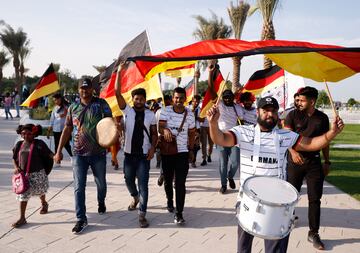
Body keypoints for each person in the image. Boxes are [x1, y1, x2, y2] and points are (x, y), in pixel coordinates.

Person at [207, 96, 344, 253]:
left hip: (277, 205)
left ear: (278, 114)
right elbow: (221, 139)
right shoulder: (243, 132)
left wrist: (332, 132)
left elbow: (312, 144)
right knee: (243, 248)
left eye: (273, 111)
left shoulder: (285, 136)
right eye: (265, 110)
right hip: (248, 201)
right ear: (258, 112)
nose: (269, 114)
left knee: (275, 249)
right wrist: (212, 123)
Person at [53, 78, 112, 234]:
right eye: (81, 88)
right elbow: (66, 130)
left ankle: (101, 201)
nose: (84, 91)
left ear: (92, 89)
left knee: (102, 185)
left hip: (98, 153)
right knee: (79, 187)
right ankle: (81, 218)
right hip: (78, 153)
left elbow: (110, 124)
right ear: (78, 90)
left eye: (87, 88)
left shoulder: (102, 104)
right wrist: (58, 151)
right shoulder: (73, 107)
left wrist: (115, 133)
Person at [284, 86, 330, 250]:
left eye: (302, 100)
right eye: (298, 99)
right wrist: (292, 151)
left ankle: (314, 233)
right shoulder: (292, 115)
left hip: (314, 163)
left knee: (315, 199)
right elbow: (286, 137)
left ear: (312, 101)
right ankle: (284, 224)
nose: (299, 102)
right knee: (290, 196)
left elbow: (325, 141)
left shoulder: (322, 118)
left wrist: (327, 161)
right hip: (295, 162)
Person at [115, 64, 158, 228]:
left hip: (143, 156)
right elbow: (117, 93)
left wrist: (153, 148)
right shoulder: (128, 111)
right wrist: (119, 72)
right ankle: (134, 197)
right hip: (128, 155)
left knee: (143, 185)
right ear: (132, 100)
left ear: (145, 100)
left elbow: (154, 133)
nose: (139, 101)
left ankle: (142, 214)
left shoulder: (150, 114)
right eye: (136, 99)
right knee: (128, 180)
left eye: (141, 99)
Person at [159, 87, 196, 224]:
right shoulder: (165, 110)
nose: (178, 100)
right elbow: (160, 127)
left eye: (181, 98)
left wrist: (191, 150)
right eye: (176, 98)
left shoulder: (190, 114)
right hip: (168, 151)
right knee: (168, 181)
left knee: (180, 183)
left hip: (182, 152)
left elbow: (192, 133)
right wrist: (166, 130)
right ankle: (170, 200)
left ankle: (179, 213)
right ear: (173, 98)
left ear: (185, 99)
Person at [207, 64, 243, 194]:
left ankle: (230, 176)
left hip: (234, 137)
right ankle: (223, 185)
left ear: (233, 98)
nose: (227, 99)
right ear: (222, 98)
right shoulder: (219, 105)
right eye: (225, 97)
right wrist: (210, 74)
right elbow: (211, 89)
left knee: (235, 163)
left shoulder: (237, 108)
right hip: (221, 136)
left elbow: (243, 121)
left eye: (229, 97)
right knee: (223, 163)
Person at [12, 124, 53, 228]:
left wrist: (56, 156)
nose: (26, 136)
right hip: (24, 176)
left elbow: (49, 155)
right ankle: (22, 218)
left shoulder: (40, 144)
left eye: (29, 134)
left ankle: (44, 203)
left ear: (34, 134)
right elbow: (14, 158)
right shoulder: (19, 144)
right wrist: (16, 167)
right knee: (23, 195)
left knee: (41, 191)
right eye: (23, 133)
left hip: (38, 174)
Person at [48, 94, 72, 167]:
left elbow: (71, 117)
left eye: (56, 99)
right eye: (54, 100)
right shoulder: (55, 108)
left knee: (66, 145)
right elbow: (52, 119)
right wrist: (50, 128)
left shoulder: (66, 107)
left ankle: (73, 158)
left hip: (64, 129)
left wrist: (66, 114)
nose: (55, 101)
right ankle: (57, 161)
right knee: (56, 145)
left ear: (60, 99)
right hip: (56, 129)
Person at [156, 95, 172, 186]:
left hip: (168, 139)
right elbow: (155, 125)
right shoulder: (159, 111)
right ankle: (163, 174)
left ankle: (163, 175)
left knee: (166, 159)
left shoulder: (159, 111)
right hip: (163, 138)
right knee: (165, 158)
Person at [188, 95, 202, 168]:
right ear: (192, 100)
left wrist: (196, 117)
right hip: (188, 129)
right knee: (188, 145)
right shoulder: (187, 108)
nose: (196, 103)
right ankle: (187, 160)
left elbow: (202, 119)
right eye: (194, 101)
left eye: (197, 101)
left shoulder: (200, 109)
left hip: (197, 129)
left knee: (195, 146)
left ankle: (193, 161)